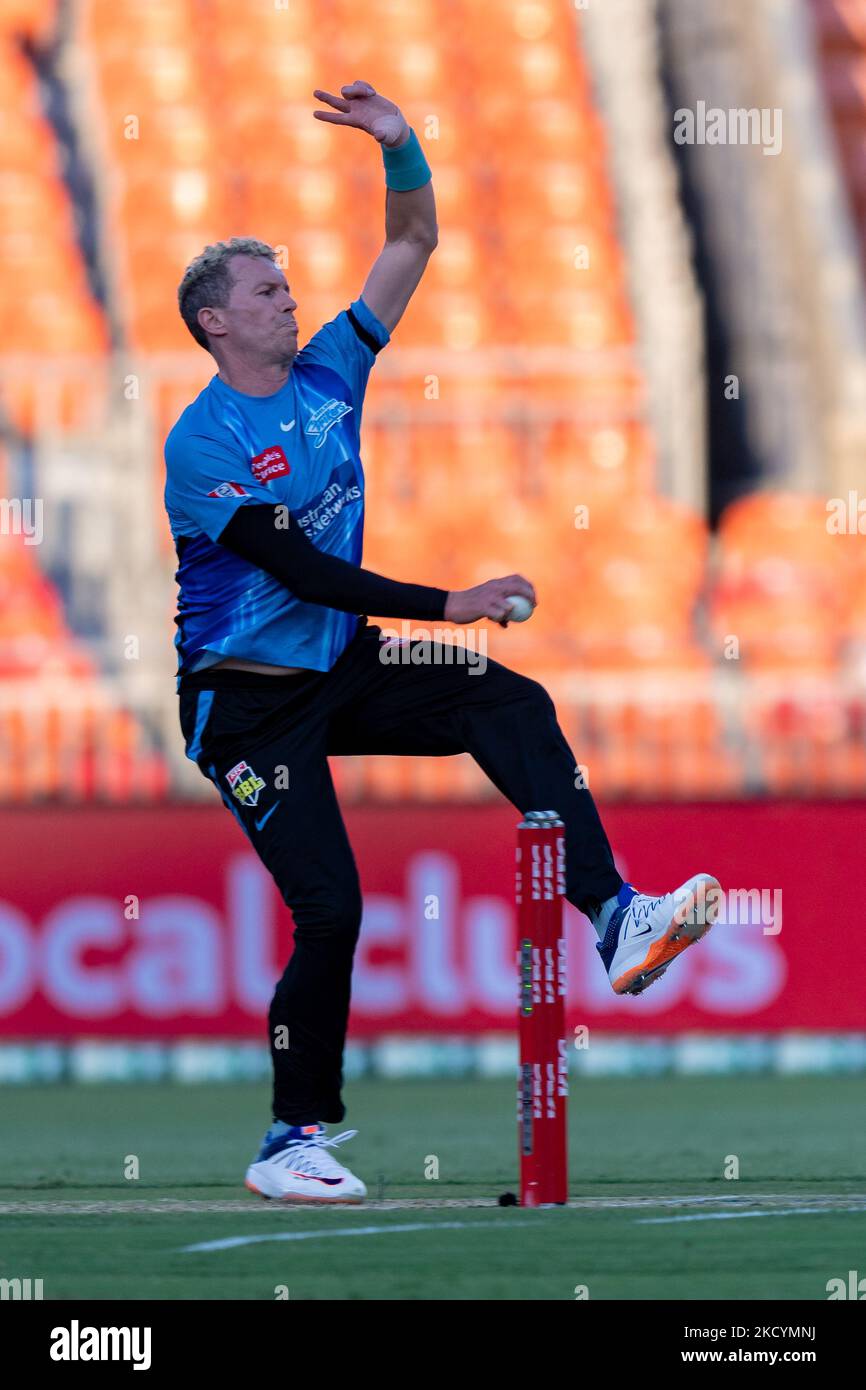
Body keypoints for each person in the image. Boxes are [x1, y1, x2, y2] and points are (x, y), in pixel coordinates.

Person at [164, 81, 720, 1204]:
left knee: (502, 702)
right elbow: (301, 571)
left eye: (285, 284)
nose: (289, 298)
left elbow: (412, 238)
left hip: (343, 661)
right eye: (266, 290)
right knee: (330, 907)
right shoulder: (201, 438)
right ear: (216, 321)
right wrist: (447, 600)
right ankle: (289, 1141)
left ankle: (617, 917)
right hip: (247, 701)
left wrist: (401, 142)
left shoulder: (329, 369)